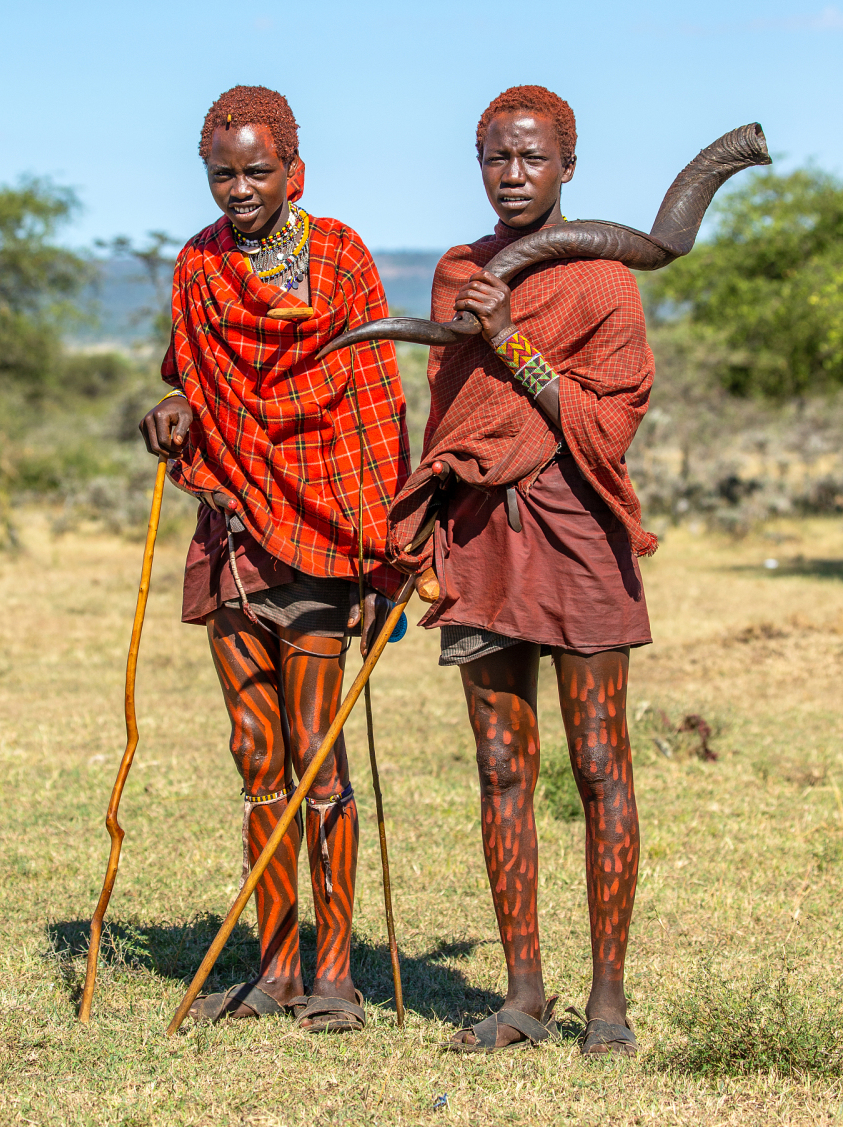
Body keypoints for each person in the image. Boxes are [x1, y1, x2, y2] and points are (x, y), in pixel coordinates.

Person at [388, 85, 655, 1055]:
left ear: (568, 167)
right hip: (483, 543)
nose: (512, 174)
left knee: (598, 765)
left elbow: (610, 422)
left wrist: (511, 340)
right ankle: (523, 993)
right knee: (501, 768)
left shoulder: (605, 277)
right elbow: (452, 413)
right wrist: (422, 527)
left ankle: (609, 999)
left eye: (532, 158)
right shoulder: (459, 270)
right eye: (496, 157)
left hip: (579, 533)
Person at [140, 85, 410, 1032]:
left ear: (295, 170)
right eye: (224, 172)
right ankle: (276, 967)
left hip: (328, 536)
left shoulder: (338, 255)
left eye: (258, 170)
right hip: (232, 534)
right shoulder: (198, 265)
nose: (240, 188)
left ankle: (335, 977)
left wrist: (388, 556)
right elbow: (189, 382)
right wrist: (171, 418)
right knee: (257, 756)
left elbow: (376, 403)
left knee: (318, 760)